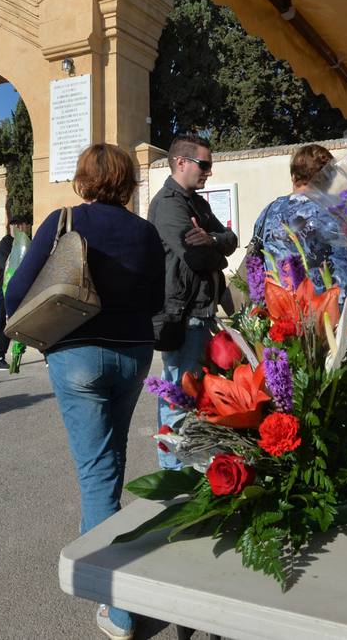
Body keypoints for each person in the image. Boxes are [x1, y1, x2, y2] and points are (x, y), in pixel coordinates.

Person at [5, 143, 163, 640]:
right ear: (128, 181)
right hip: (134, 353)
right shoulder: (146, 231)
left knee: (97, 473)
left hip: (77, 355)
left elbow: (16, 291)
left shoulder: (64, 220)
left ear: (83, 179)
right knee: (109, 460)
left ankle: (117, 609)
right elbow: (156, 299)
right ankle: (119, 569)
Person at [252, 144, 347, 343]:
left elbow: (257, 264)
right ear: (331, 177)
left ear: (294, 176)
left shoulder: (268, 213)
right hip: (339, 327)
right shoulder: (341, 209)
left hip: (287, 328)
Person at [147, 134, 237, 470]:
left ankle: (187, 464)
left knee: (195, 393)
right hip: (183, 315)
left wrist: (212, 238)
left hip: (202, 312)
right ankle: (173, 471)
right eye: (204, 165)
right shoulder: (169, 204)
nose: (209, 172)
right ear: (181, 162)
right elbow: (196, 257)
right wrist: (217, 253)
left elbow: (230, 238)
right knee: (177, 395)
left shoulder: (196, 203)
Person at [0, 216, 29, 371]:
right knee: (5, 323)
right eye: (24, 225)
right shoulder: (4, 244)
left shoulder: (27, 242)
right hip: (8, 290)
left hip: (25, 289)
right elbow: (9, 264)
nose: (24, 228)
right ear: (14, 226)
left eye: (25, 225)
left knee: (31, 321)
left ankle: (46, 355)